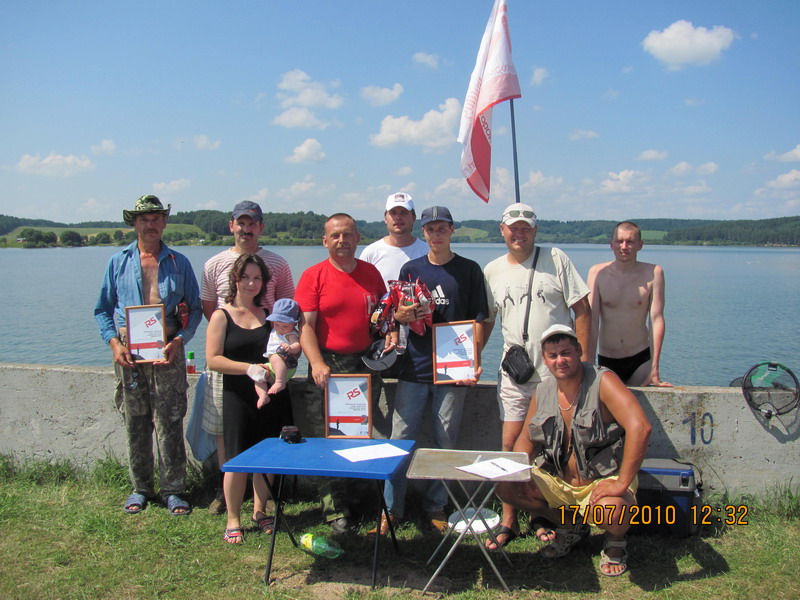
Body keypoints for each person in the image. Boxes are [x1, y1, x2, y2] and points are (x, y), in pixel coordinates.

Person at [496, 324, 651, 576]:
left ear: (579, 351)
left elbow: (640, 428)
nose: (560, 360)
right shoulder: (543, 390)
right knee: (506, 487)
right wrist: (514, 470)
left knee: (612, 511)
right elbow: (526, 439)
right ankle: (570, 525)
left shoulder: (603, 381)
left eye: (566, 352)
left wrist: (621, 483)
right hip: (560, 481)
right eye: (553, 355)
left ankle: (615, 541)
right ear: (545, 359)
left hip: (602, 480)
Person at [373, 206, 488, 535]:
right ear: (422, 232)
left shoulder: (469, 270)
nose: (436, 234)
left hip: (454, 370)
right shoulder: (411, 269)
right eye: (430, 229)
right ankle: (391, 509)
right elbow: (396, 316)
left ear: (452, 230)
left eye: (441, 228)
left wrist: (475, 360)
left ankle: (436, 505)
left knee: (445, 440)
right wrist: (402, 316)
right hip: (414, 366)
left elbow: (480, 319)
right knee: (399, 440)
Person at [483, 202, 591, 549]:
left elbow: (582, 309)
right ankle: (509, 518)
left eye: (525, 227)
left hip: (555, 374)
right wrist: (471, 359)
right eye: (513, 227)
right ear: (502, 230)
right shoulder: (492, 270)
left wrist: (583, 360)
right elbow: (487, 320)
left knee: (553, 448)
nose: (519, 233)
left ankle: (542, 515)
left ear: (535, 230)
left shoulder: (556, 259)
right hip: (514, 373)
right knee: (510, 444)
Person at [94, 194, 202, 516]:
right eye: (144, 219)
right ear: (134, 223)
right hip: (129, 354)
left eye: (156, 218)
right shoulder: (117, 262)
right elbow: (102, 310)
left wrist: (180, 340)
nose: (150, 224)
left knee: (170, 420)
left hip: (168, 349)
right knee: (136, 422)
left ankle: (174, 490)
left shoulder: (179, 262)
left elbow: (196, 309)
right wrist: (114, 344)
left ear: (164, 222)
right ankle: (140, 488)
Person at [200, 200, 295, 514]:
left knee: (266, 442)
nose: (246, 228)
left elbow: (289, 313)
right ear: (232, 226)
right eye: (241, 223)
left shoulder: (278, 264)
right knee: (229, 440)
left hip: (268, 363)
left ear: (261, 227)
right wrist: (233, 338)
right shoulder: (214, 264)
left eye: (252, 223)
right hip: (233, 367)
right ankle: (229, 500)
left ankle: (260, 506)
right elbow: (209, 309)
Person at [295, 213, 387, 533]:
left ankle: (360, 500)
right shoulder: (313, 276)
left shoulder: (371, 273)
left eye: (348, 234)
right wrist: (317, 363)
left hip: (366, 366)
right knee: (328, 438)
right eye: (335, 235)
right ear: (325, 241)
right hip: (330, 367)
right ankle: (335, 510)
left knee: (361, 435)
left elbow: (382, 318)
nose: (342, 241)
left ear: (358, 238)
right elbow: (305, 327)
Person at [587, 221, 672, 387]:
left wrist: (654, 368)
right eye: (619, 241)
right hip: (607, 359)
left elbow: (656, 320)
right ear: (611, 244)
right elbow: (592, 320)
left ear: (640, 245)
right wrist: (588, 363)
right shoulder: (597, 273)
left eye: (630, 241)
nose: (624, 246)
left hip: (640, 358)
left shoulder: (654, 273)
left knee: (640, 402)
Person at [359, 192, 428, 285]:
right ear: (385, 218)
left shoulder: (427, 252)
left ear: (414, 218)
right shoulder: (370, 253)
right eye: (393, 213)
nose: (398, 217)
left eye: (404, 213)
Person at [258, 297, 301, 400]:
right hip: (272, 365)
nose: (280, 329)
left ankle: (280, 382)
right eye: (277, 324)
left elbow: (297, 346)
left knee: (276, 357)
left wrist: (290, 348)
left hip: (285, 364)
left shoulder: (290, 334)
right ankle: (263, 395)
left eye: (285, 326)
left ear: (294, 323)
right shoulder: (275, 330)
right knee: (258, 372)